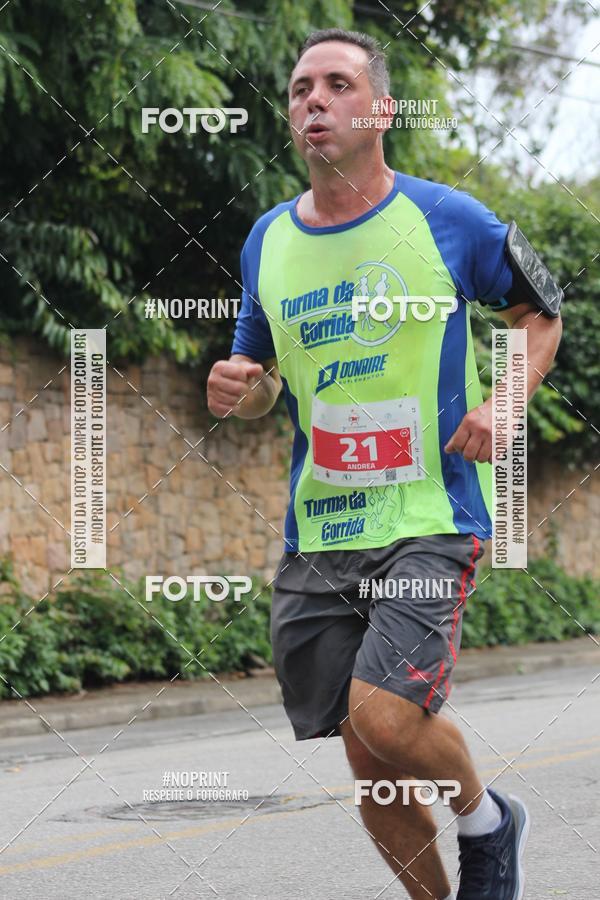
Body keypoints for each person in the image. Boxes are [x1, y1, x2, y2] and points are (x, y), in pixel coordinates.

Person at [207, 27, 562, 900]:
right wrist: (240, 389)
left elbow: (540, 313)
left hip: (427, 516)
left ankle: (488, 819)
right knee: (372, 763)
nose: (315, 100)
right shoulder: (267, 241)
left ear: (383, 110)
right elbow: (261, 383)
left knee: (386, 715)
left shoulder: (447, 218)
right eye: (301, 88)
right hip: (321, 531)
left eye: (338, 84)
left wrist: (505, 402)